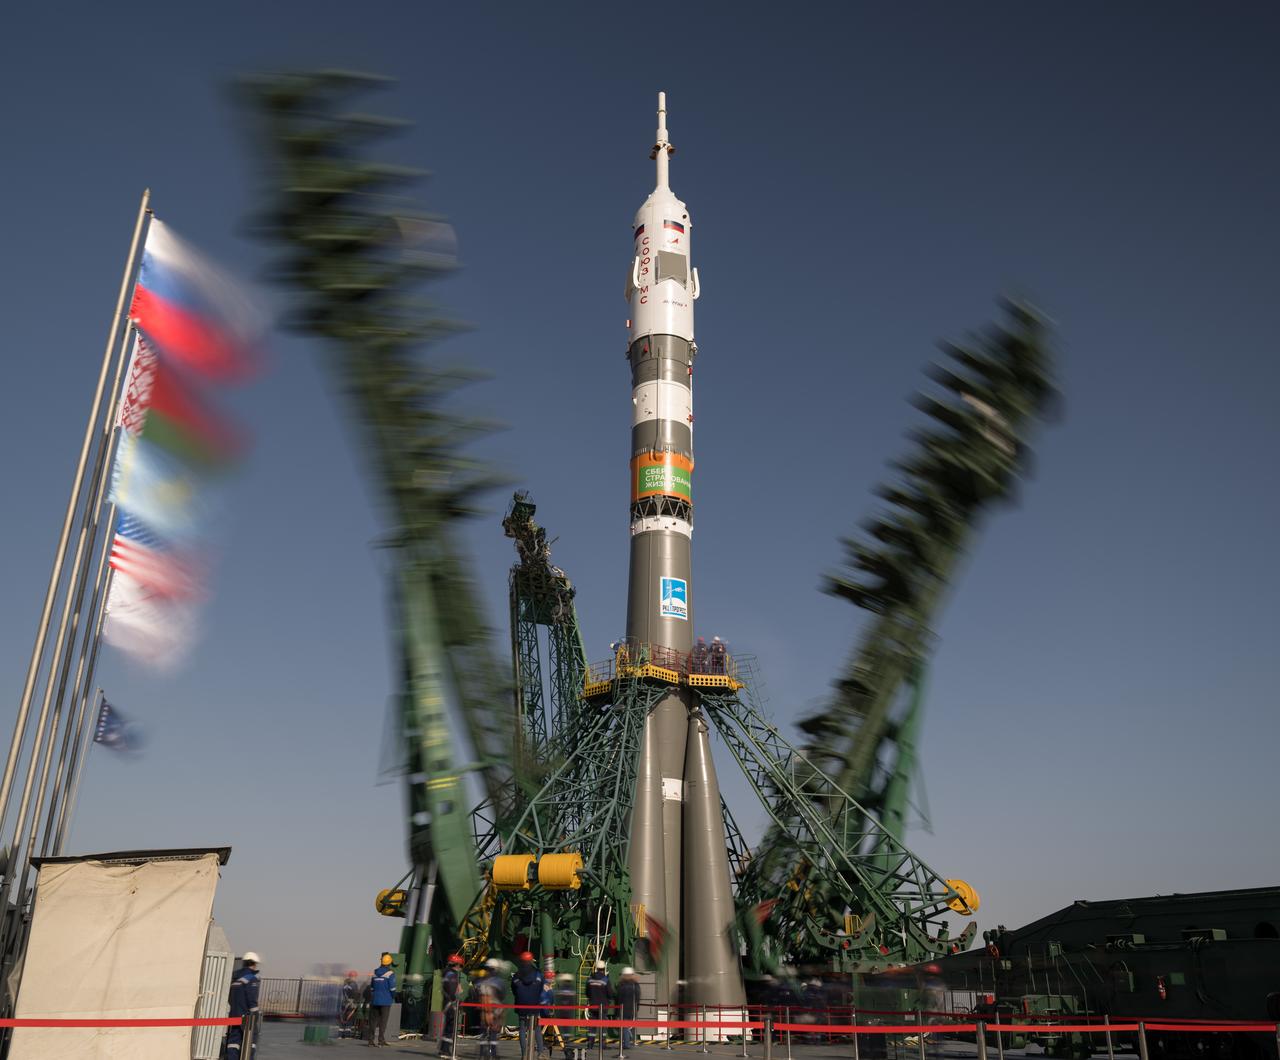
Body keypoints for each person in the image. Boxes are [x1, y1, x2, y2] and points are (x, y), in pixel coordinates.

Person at [226, 952, 261, 1058]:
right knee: (251, 1040)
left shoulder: (235, 977)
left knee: (233, 1042)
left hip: (234, 1015)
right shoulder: (251, 978)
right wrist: (255, 1015)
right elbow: (252, 1000)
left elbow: (230, 998)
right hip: (246, 1016)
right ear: (254, 964)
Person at [511, 951, 544, 1059]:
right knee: (537, 1029)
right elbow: (541, 988)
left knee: (522, 1028)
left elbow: (514, 989)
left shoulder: (517, 975)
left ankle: (524, 1054)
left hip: (521, 1006)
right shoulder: (538, 973)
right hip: (534, 1005)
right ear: (531, 961)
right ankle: (540, 1053)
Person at [369, 952, 397, 1047]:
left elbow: (372, 988)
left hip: (375, 1000)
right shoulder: (390, 974)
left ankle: (370, 1040)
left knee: (373, 1021)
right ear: (389, 963)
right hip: (385, 1001)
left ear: (381, 962)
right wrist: (393, 996)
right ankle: (381, 1040)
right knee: (383, 1021)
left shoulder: (374, 973)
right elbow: (392, 989)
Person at [441, 954, 466, 1058]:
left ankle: (443, 1049)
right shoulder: (452, 975)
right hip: (451, 1003)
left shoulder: (446, 973)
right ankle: (446, 1050)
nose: (460, 968)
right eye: (460, 966)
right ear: (456, 964)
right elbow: (452, 990)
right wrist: (455, 1001)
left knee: (448, 1027)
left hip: (447, 1003)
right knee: (450, 1028)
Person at [584, 960, 612, 1053]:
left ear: (596, 968)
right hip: (603, 1006)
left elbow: (587, 992)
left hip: (593, 1005)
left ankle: (590, 1044)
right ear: (604, 969)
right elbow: (610, 993)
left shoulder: (590, 979)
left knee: (592, 1026)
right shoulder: (605, 980)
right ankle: (602, 1044)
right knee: (603, 1025)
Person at [552, 973, 580, 1060]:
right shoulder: (572, 989)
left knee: (561, 1028)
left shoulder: (560, 988)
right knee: (567, 1029)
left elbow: (557, 1000)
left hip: (561, 1011)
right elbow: (574, 1001)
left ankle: (561, 1041)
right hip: (569, 1012)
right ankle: (566, 1042)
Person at [616, 968, 640, 1058]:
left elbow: (619, 998)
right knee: (628, 1027)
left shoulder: (622, 985)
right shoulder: (635, 985)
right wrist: (636, 1008)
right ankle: (631, 1041)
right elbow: (638, 997)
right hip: (632, 1009)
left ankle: (626, 1044)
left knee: (625, 1027)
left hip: (624, 1009)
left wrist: (617, 1011)